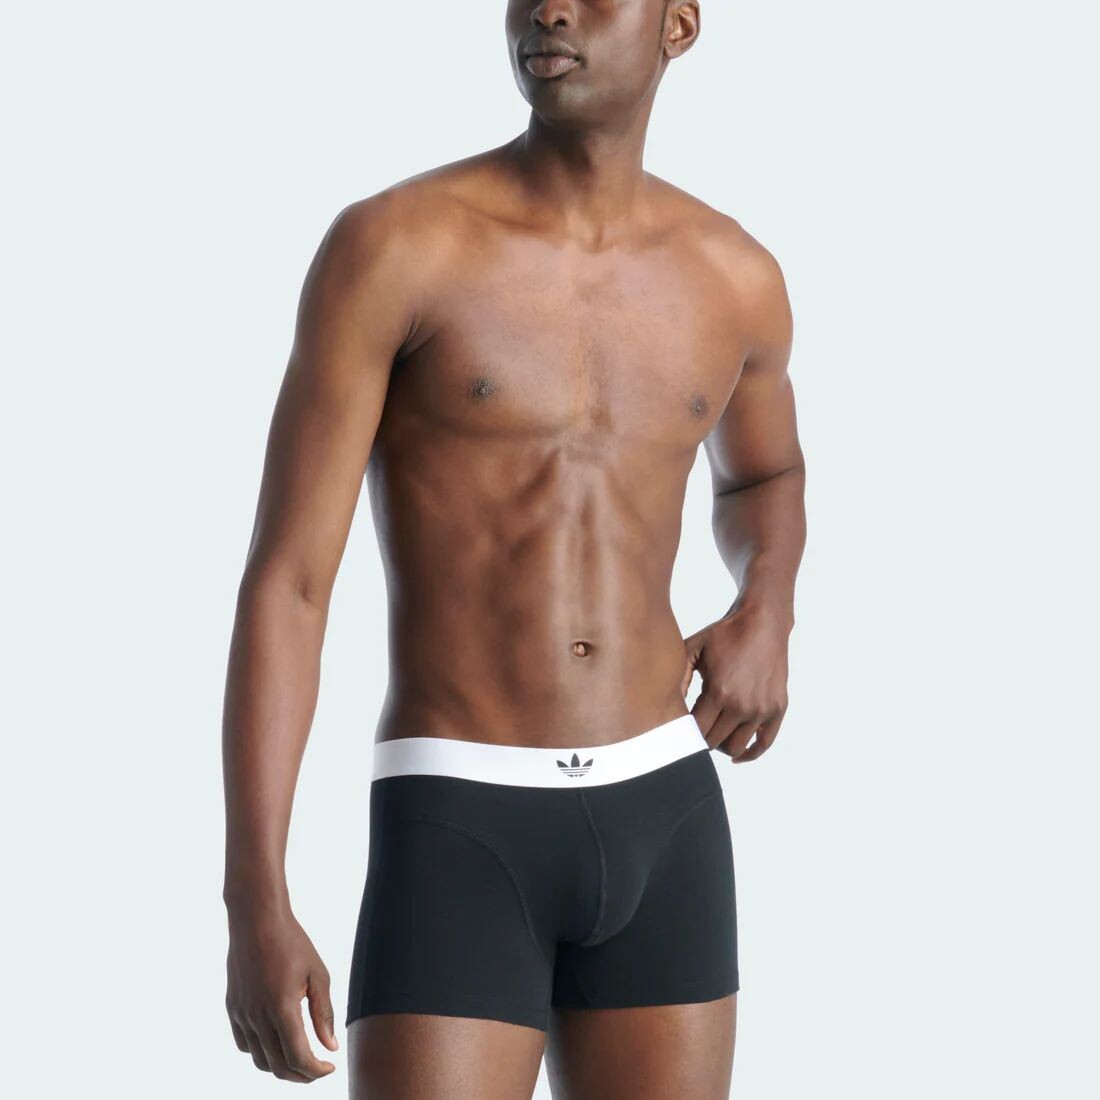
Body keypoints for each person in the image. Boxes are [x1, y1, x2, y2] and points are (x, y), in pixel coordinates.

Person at [221, 1, 806, 1096]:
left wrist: (764, 606)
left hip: (664, 805)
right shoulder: (395, 246)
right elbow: (290, 583)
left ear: (678, 26)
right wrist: (255, 892)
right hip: (459, 815)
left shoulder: (734, 275)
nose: (550, 7)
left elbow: (766, 475)